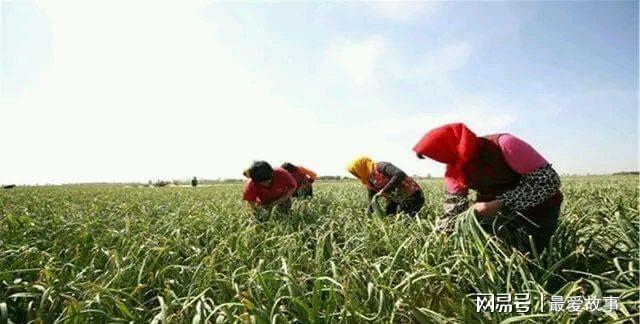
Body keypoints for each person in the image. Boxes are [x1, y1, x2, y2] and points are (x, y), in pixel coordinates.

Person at [412, 122, 562, 252]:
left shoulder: (504, 144)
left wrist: (499, 203)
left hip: (537, 210)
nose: (440, 160)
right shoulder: (455, 169)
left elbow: (548, 182)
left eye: (438, 154)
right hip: (495, 214)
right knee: (496, 253)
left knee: (532, 256)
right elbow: (454, 207)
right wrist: (444, 234)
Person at [347, 156, 425, 217]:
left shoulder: (381, 167)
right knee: (390, 219)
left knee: (405, 220)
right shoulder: (368, 180)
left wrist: (385, 190)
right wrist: (369, 216)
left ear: (361, 167)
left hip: (413, 196)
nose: (356, 175)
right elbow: (371, 198)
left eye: (355, 172)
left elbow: (399, 174)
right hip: (395, 201)